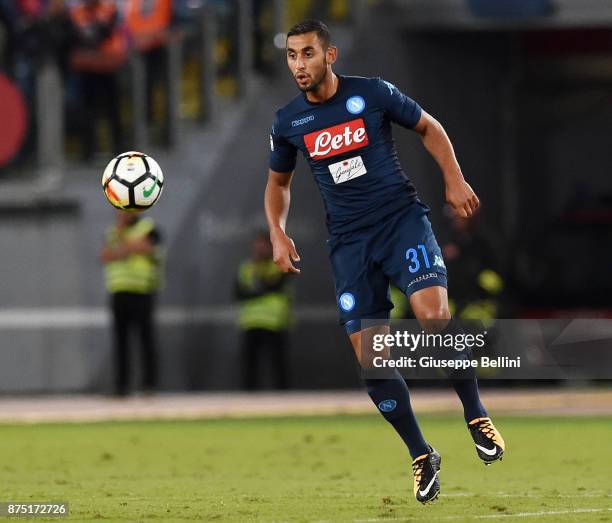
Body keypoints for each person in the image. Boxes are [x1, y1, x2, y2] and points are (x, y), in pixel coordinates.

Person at [264, 19, 505, 504]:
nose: (299, 65)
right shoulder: (288, 122)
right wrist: (277, 231)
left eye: (307, 53)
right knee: (371, 359)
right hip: (350, 245)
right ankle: (421, 454)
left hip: (401, 223)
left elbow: (428, 128)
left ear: (330, 56)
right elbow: (278, 185)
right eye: (291, 56)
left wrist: (453, 180)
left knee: (434, 318)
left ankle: (475, 413)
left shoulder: (372, 94)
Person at [100, 210, 163, 397]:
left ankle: (149, 385)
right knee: (121, 342)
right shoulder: (113, 231)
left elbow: (147, 248)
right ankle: (121, 386)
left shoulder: (148, 227)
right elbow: (105, 255)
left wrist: (121, 248)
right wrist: (127, 246)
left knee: (146, 340)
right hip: (119, 292)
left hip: (142, 290)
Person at [235, 231, 291, 390]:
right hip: (251, 322)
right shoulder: (246, 267)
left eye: (263, 245)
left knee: (278, 365)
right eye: (257, 245)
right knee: (249, 366)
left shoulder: (279, 264)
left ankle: (284, 400)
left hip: (274, 322)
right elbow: (239, 293)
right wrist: (261, 289)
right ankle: (249, 400)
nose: (259, 248)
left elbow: (276, 286)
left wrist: (256, 290)